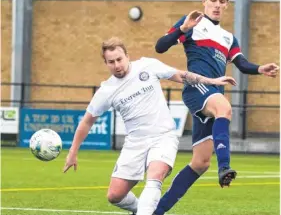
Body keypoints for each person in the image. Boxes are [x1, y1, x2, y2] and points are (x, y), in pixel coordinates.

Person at [63, 37, 236, 215]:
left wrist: (211, 82)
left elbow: (182, 75)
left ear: (127, 56)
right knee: (115, 195)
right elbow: (86, 121)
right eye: (111, 62)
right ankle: (145, 209)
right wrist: (72, 152)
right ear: (106, 63)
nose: (117, 65)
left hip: (163, 137)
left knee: (155, 177)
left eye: (119, 59)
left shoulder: (147, 66)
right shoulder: (106, 91)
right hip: (135, 143)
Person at [153, 0, 279, 214]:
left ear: (227, 5)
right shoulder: (192, 23)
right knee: (225, 108)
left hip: (213, 95)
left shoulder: (229, 38)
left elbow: (241, 64)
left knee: (200, 163)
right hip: (197, 88)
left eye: (222, 2)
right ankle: (225, 167)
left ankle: (155, 211)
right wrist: (182, 28)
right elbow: (160, 47)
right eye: (213, 0)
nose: (217, 5)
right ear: (204, 1)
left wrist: (260, 68)